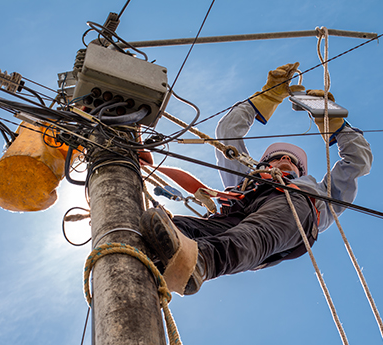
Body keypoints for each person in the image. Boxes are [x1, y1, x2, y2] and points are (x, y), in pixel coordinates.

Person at [140, 62, 373, 296]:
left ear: (300, 172)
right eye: (278, 157)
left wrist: (333, 121)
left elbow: (357, 161)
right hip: (236, 215)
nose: (285, 159)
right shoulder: (246, 178)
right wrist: (268, 97)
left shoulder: (318, 195)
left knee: (252, 235)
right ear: (265, 163)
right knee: (180, 227)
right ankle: (146, 256)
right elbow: (228, 132)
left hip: (285, 218)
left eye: (293, 161)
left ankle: (200, 262)